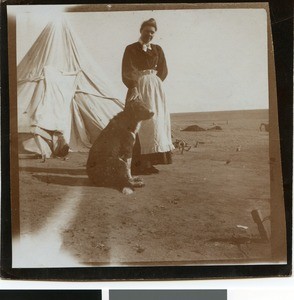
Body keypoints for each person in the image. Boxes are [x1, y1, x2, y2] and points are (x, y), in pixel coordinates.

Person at [122, 18, 174, 175]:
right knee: (139, 123)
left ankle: (149, 163)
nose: (149, 35)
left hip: (155, 89)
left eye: (152, 32)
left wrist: (155, 82)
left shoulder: (157, 49)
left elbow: (163, 70)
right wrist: (134, 86)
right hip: (138, 86)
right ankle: (136, 164)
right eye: (147, 31)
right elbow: (128, 68)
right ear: (141, 31)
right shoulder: (131, 49)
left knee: (154, 123)